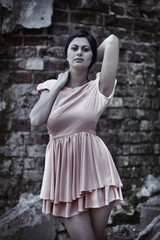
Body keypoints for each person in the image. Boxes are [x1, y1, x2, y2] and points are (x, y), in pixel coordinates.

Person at [29, 29, 123, 240]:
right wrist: (59, 84)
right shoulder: (50, 87)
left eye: (85, 49)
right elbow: (35, 120)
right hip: (64, 176)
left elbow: (112, 41)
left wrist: (87, 60)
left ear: (92, 56)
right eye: (74, 48)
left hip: (97, 172)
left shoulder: (98, 88)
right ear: (66, 54)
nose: (79, 52)